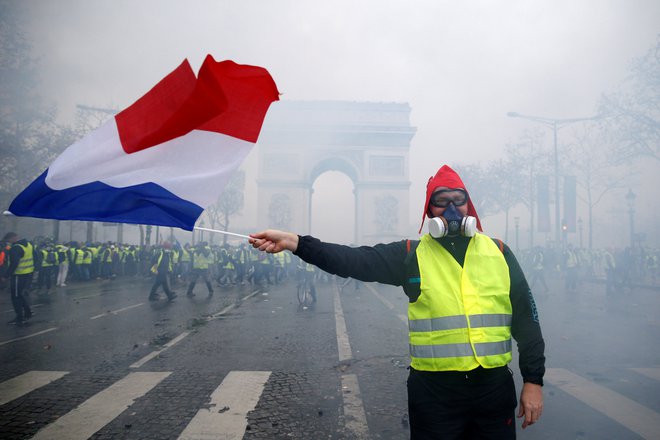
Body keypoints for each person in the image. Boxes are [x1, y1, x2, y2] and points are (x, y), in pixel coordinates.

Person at [249, 165, 545, 439]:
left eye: (459, 199)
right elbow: (354, 260)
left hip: (493, 390)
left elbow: (527, 320)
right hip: (434, 394)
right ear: (429, 209)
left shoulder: (500, 251)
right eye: (442, 201)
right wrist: (296, 243)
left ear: (470, 205)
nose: (452, 208)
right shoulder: (409, 254)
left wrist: (533, 381)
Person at [2, 232, 34, 325]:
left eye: (8, 240)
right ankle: (28, 312)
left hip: (18, 275)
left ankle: (20, 317)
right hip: (27, 273)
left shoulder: (15, 248)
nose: (8, 243)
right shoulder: (28, 245)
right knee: (19, 295)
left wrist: (6, 276)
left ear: (13, 238)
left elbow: (14, 264)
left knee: (15, 297)